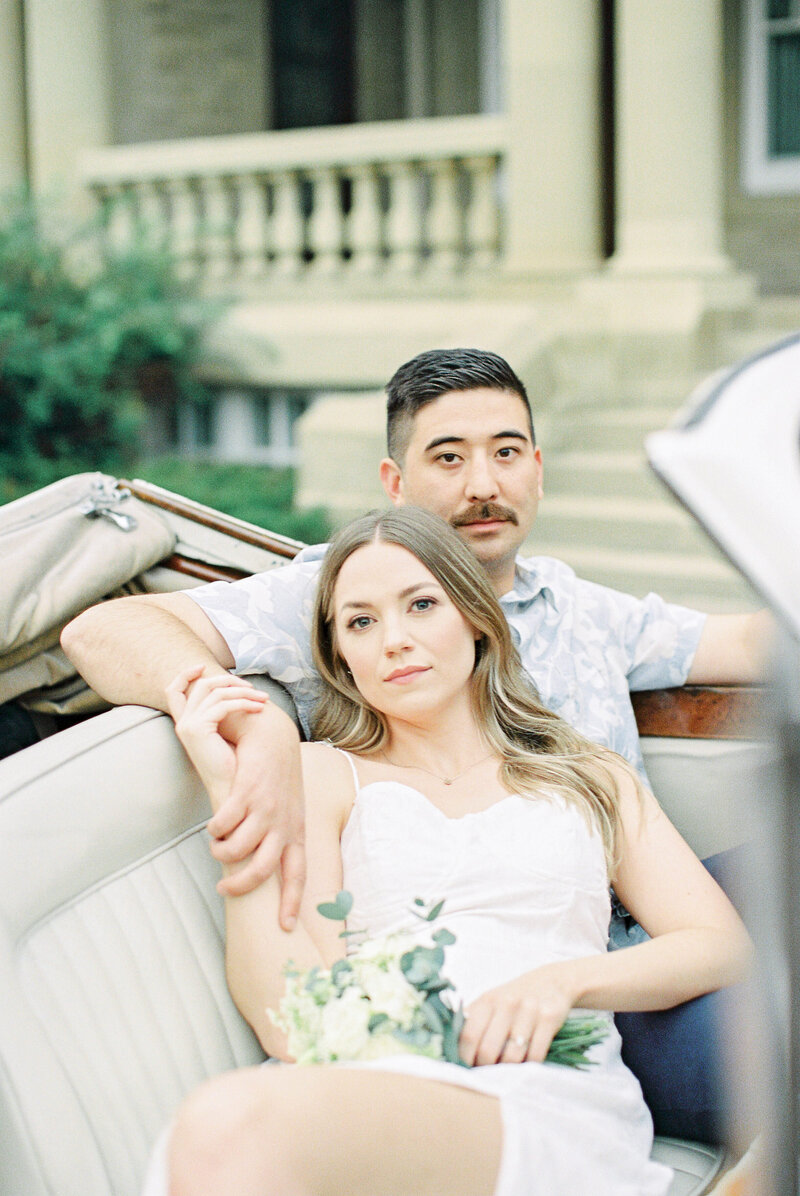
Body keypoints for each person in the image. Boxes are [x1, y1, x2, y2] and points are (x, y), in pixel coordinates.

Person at [145, 507, 751, 1196]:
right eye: (361, 622)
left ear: (476, 618)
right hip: (368, 1076)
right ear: (339, 653)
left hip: (539, 1087)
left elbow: (717, 942)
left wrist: (566, 982)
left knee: (226, 1130)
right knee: (222, 1131)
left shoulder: (589, 774)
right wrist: (234, 794)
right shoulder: (321, 775)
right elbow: (290, 1018)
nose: (394, 641)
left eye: (422, 605)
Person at [61, 347, 771, 922]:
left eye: (507, 452)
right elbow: (104, 629)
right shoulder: (342, 597)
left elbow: (745, 643)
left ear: (538, 469)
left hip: (661, 911)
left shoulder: (573, 602)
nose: (484, 485)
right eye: (450, 458)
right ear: (395, 482)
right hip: (543, 953)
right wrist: (252, 723)